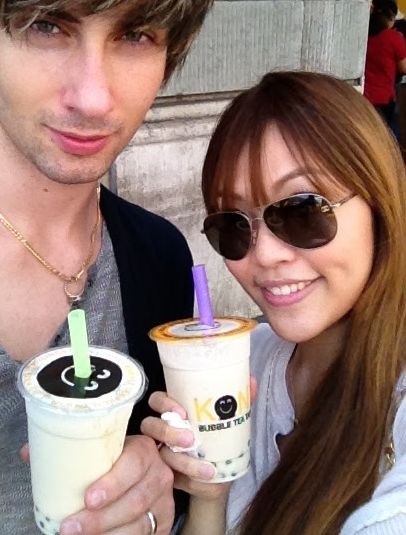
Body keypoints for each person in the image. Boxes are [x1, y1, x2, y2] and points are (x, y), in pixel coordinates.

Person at [0, 0, 216, 534]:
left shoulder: (158, 258)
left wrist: (154, 497)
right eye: (47, 25)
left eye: (135, 34)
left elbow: (168, 481)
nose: (93, 97)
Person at [142, 71, 406, 535]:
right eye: (233, 224)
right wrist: (210, 492)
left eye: (302, 210)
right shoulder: (251, 363)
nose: (263, 255)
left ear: (379, 205)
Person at [364, 0, 406, 137]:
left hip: (363, 95)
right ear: (391, 17)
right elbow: (403, 68)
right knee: (388, 134)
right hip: (384, 98)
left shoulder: (363, 34)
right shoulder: (394, 37)